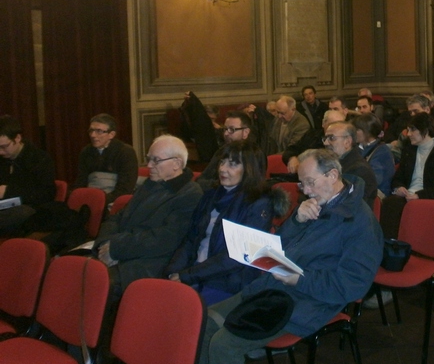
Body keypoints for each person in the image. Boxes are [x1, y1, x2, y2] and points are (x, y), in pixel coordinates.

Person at [198, 148, 383, 364]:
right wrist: (296, 219)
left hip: (308, 302)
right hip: (274, 286)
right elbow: (279, 245)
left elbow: (352, 286)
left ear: (332, 175)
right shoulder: (316, 204)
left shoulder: (361, 224)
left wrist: (299, 279)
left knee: (224, 345)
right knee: (204, 322)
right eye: (301, 183)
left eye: (309, 182)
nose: (305, 190)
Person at [165, 140, 290, 305]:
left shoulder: (259, 203)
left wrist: (187, 276)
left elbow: (236, 257)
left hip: (226, 282)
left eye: (232, 164)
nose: (223, 169)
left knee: (180, 312)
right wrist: (173, 272)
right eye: (222, 162)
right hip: (194, 272)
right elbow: (190, 239)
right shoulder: (211, 195)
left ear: (250, 169)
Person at [93, 135, 202, 301]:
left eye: (156, 160)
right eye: (149, 159)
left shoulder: (190, 194)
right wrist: (105, 244)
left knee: (95, 283)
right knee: (74, 271)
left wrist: (115, 249)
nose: (149, 165)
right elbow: (118, 217)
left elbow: (164, 239)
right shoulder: (150, 184)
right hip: (121, 251)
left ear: (176, 164)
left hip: (149, 263)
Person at [381, 112, 434, 239]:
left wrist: (420, 195)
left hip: (432, 197)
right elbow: (398, 177)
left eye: (412, 130)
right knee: (389, 204)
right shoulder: (409, 150)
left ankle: (405, 247)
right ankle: (391, 247)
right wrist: (399, 188)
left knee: (403, 208)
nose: (408, 134)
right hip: (410, 195)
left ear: (425, 130)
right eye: (408, 130)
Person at [0, 115, 56, 234]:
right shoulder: (2, 160)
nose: (0, 152)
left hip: (30, 210)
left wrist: (8, 191)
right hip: (4, 209)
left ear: (18, 138)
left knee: (22, 212)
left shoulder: (39, 158)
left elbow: (47, 194)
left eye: (4, 147)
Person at [72, 113, 138, 206]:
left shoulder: (125, 152)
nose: (93, 135)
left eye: (99, 131)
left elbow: (125, 189)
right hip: (90, 198)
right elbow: (81, 182)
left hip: (114, 201)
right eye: (91, 130)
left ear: (111, 134)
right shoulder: (86, 151)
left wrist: (99, 201)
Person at [323, 121, 379, 206]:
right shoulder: (329, 164)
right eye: (325, 138)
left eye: (331, 138)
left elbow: (344, 206)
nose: (325, 143)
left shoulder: (359, 170)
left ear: (347, 142)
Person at [197, 111, 256, 189]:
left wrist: (219, 184)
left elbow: (247, 185)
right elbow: (201, 179)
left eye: (232, 129)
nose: (226, 134)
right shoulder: (221, 151)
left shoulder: (254, 154)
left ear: (245, 132)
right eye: (225, 129)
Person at [389, 94, 434, 160]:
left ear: (427, 110)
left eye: (416, 111)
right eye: (410, 112)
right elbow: (396, 155)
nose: (412, 115)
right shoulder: (406, 132)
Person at [353, 113, 395, 199]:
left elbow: (374, 180)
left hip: (376, 195)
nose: (353, 133)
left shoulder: (382, 152)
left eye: (357, 129)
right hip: (361, 190)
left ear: (367, 131)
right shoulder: (358, 148)